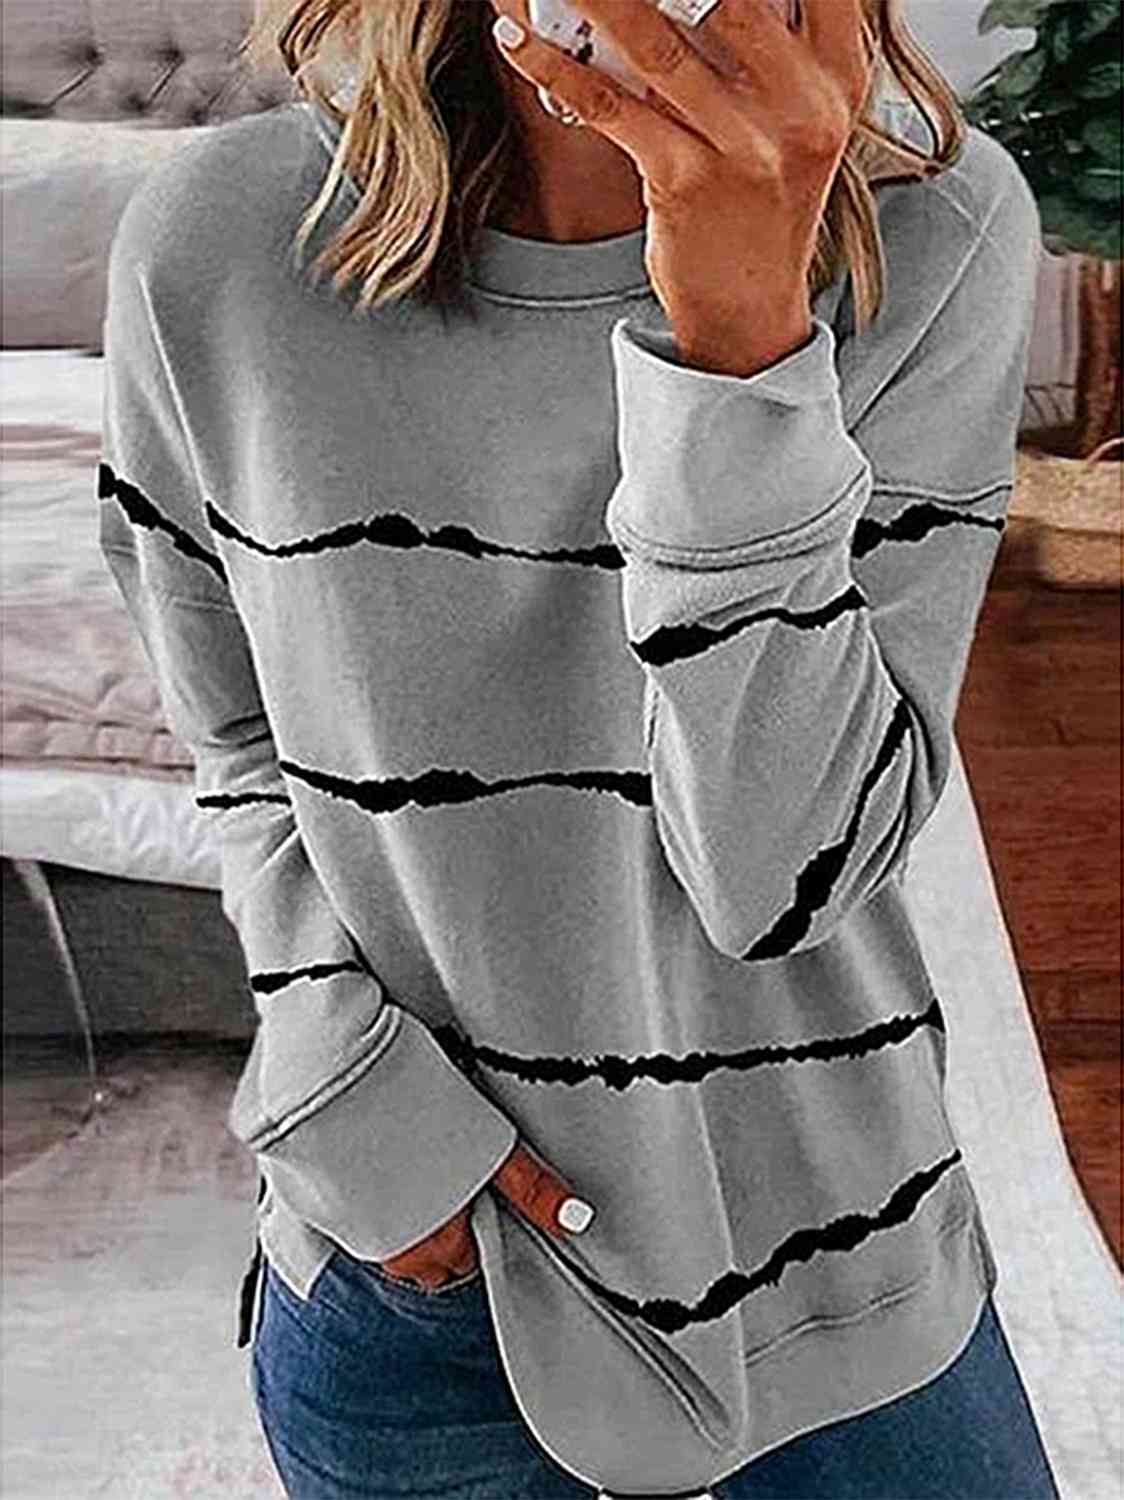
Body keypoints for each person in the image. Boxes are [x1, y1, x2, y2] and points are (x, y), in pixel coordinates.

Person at [97, 0, 1062, 1495]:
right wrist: (358, 1106)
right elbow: (235, 735)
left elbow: (784, 879)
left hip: (838, 1248)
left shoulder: (939, 233)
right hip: (428, 1277)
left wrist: (741, 357)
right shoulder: (216, 244)